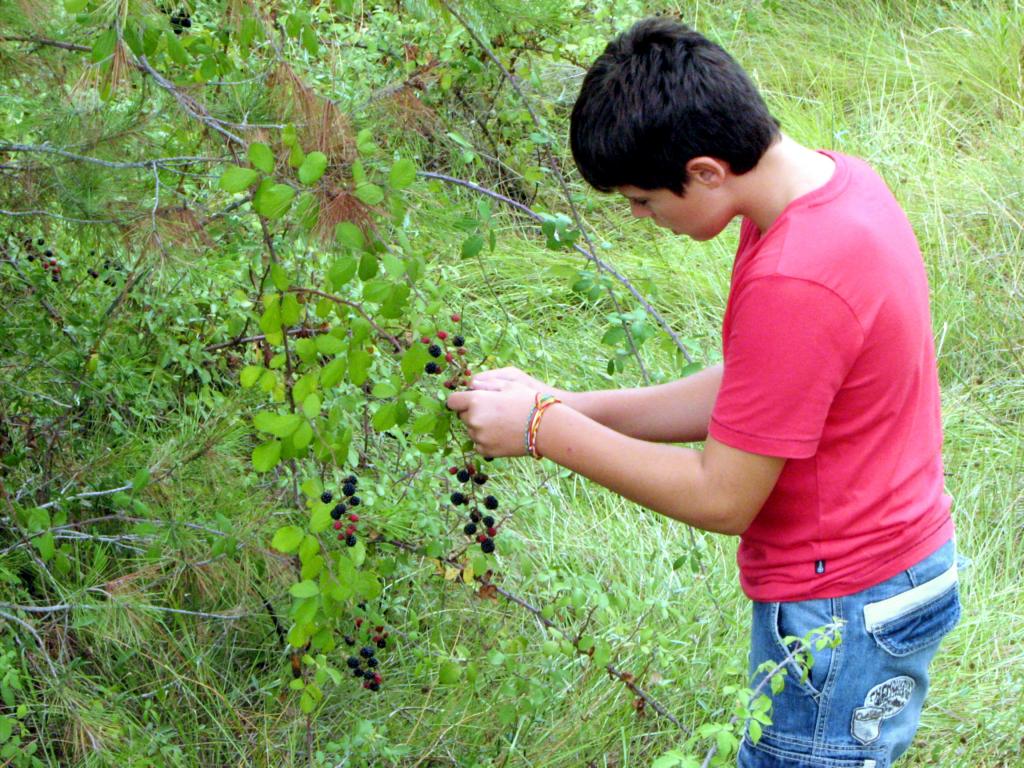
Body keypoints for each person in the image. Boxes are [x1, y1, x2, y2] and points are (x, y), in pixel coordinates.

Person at [445, 17, 961, 767]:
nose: (640, 217)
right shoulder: (828, 190)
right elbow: (762, 390)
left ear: (708, 171)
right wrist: (569, 402)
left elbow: (723, 497)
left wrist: (543, 430)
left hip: (845, 606)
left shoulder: (796, 274)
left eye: (642, 200)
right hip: (894, 569)